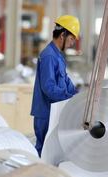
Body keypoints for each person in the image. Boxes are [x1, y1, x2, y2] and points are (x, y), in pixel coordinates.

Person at [30, 15, 80, 156]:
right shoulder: (49, 56)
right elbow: (48, 87)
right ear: (62, 35)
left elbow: (65, 80)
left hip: (54, 111)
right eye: (71, 39)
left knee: (53, 152)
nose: (72, 44)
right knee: (44, 151)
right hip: (46, 114)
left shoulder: (57, 56)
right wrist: (69, 97)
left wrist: (77, 94)